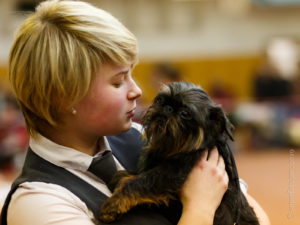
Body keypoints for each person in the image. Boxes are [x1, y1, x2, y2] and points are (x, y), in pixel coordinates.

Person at [0, 1, 269, 225]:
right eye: (118, 81)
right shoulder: (37, 202)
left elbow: (256, 215)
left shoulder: (141, 136)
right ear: (63, 94)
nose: (137, 91)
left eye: (132, 74)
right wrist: (200, 206)